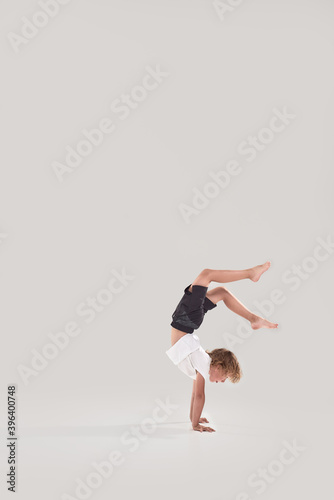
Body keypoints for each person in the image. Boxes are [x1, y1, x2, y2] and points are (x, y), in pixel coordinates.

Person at [166, 262, 278, 433]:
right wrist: (195, 425)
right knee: (207, 274)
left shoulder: (200, 364)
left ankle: (254, 318)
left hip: (187, 321)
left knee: (221, 293)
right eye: (225, 376)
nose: (223, 381)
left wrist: (193, 418)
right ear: (218, 366)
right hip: (186, 319)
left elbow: (193, 396)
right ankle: (250, 274)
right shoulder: (204, 364)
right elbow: (199, 396)